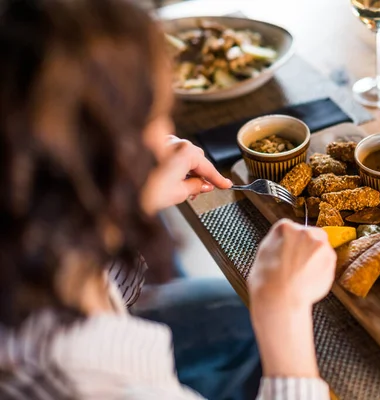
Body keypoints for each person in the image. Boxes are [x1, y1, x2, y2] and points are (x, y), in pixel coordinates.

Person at [0, 1, 336, 399]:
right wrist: (285, 316)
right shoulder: (95, 385)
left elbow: (105, 289)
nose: (169, 130)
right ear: (109, 147)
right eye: (158, 113)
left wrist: (124, 199)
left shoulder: (23, 213)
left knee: (229, 309)